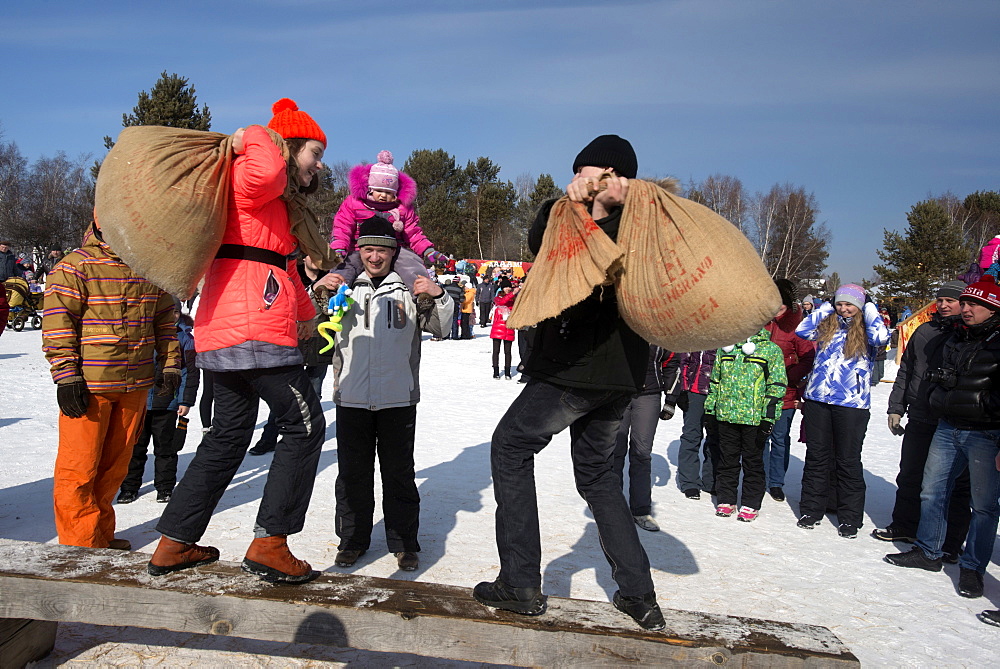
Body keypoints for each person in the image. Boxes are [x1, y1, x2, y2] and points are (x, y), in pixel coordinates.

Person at [474, 135, 665, 632]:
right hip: (620, 377)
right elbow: (541, 243)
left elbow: (567, 256)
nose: (579, 180)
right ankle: (638, 593)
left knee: (510, 447)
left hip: (580, 368)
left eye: (589, 172)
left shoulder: (620, 225)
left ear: (615, 178)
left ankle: (519, 582)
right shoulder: (625, 222)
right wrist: (569, 204)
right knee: (599, 477)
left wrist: (582, 206)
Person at [148, 98, 330, 584]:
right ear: (289, 148)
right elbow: (268, 169)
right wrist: (258, 132)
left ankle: (174, 542)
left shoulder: (270, 208)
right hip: (252, 328)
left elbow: (281, 269)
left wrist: (309, 318)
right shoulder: (252, 181)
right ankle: (271, 543)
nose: (320, 163)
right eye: (314, 151)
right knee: (306, 425)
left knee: (228, 433)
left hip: (231, 329)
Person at [42, 221, 181, 549]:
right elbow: (58, 325)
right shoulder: (77, 266)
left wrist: (171, 363)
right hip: (90, 385)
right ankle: (81, 549)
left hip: (134, 385)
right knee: (79, 470)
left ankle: (98, 536)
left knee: (113, 469)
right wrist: (67, 376)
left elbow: (164, 320)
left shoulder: (148, 267)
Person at [327, 217, 452, 572]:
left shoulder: (409, 287)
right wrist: (318, 288)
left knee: (398, 474)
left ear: (393, 251)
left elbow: (442, 328)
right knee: (353, 475)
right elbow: (310, 323)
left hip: (398, 398)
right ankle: (352, 540)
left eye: (381, 249)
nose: (375, 256)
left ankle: (404, 542)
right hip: (351, 396)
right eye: (367, 249)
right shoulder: (345, 288)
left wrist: (438, 295)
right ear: (359, 250)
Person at [884, 275, 1000, 599]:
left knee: (984, 506)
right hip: (947, 426)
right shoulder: (955, 336)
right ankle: (928, 551)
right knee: (931, 491)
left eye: (974, 303)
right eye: (965, 302)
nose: (965, 308)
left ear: (992, 307)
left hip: (985, 432)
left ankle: (973, 568)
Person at [873, 280, 970, 560]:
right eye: (939, 300)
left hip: (953, 420)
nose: (943, 305)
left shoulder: (969, 335)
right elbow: (906, 370)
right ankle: (904, 525)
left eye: (950, 300)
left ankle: (951, 542)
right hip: (920, 413)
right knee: (911, 474)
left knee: (954, 484)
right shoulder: (924, 331)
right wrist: (896, 407)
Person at [794, 284, 890, 538]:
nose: (844, 309)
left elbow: (882, 338)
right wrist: (825, 306)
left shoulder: (867, 330)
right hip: (818, 400)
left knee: (847, 461)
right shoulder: (828, 325)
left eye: (850, 304)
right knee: (816, 457)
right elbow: (801, 329)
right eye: (840, 303)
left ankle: (850, 517)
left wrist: (869, 307)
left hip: (852, 405)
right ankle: (811, 510)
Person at [249, 255, 335, 456]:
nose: (315, 259)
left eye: (319, 255)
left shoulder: (331, 279)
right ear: (304, 258)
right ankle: (269, 438)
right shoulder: (291, 277)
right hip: (293, 344)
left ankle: (308, 437)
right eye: (310, 255)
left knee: (313, 394)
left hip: (320, 347)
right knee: (284, 395)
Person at [329, 150, 448, 290]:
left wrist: (428, 250)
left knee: (411, 264)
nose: (383, 196)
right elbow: (343, 227)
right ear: (370, 189)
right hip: (358, 248)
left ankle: (421, 293)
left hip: (395, 249)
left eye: (389, 193)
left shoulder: (402, 209)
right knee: (346, 266)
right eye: (379, 191)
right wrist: (339, 247)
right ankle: (333, 291)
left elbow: (413, 233)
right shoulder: (354, 204)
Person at [118, 310, 199, 504]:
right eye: (166, 311)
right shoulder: (141, 333)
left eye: (175, 311)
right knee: (135, 448)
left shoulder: (185, 339)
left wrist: (185, 400)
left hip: (167, 403)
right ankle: (129, 488)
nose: (171, 315)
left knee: (166, 449)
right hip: (140, 402)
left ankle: (164, 488)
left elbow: (190, 372)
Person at [706, 329, 786, 521]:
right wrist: (710, 410)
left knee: (753, 461)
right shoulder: (725, 349)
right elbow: (715, 382)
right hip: (726, 415)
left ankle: (750, 502)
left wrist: (768, 417)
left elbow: (776, 385)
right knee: (727, 459)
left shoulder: (770, 350)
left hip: (754, 418)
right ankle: (726, 498)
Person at [763, 279, 815, 502]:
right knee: (760, 438)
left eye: (780, 307)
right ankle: (760, 476)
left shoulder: (796, 328)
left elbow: (808, 357)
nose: (776, 311)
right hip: (760, 392)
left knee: (780, 437)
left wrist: (789, 378)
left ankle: (776, 482)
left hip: (786, 393)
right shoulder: (760, 323)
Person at [613, 345, 673, 531]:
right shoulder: (620, 321)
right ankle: (613, 509)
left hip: (648, 395)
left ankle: (641, 510)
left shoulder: (660, 328)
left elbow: (672, 361)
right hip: (617, 393)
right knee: (614, 452)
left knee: (641, 453)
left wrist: (671, 398)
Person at [672, 349, 719, 499]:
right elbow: (683, 361)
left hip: (719, 392)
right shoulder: (695, 334)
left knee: (716, 437)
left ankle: (711, 480)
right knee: (692, 435)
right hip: (695, 390)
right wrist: (683, 389)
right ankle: (689, 482)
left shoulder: (728, 335)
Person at [490, 284, 517, 379]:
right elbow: (502, 301)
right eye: (506, 287)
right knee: (496, 351)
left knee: (508, 352)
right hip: (498, 328)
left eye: (509, 287)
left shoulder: (514, 300)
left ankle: (507, 372)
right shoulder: (498, 298)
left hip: (509, 328)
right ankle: (496, 371)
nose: (508, 289)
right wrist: (513, 293)